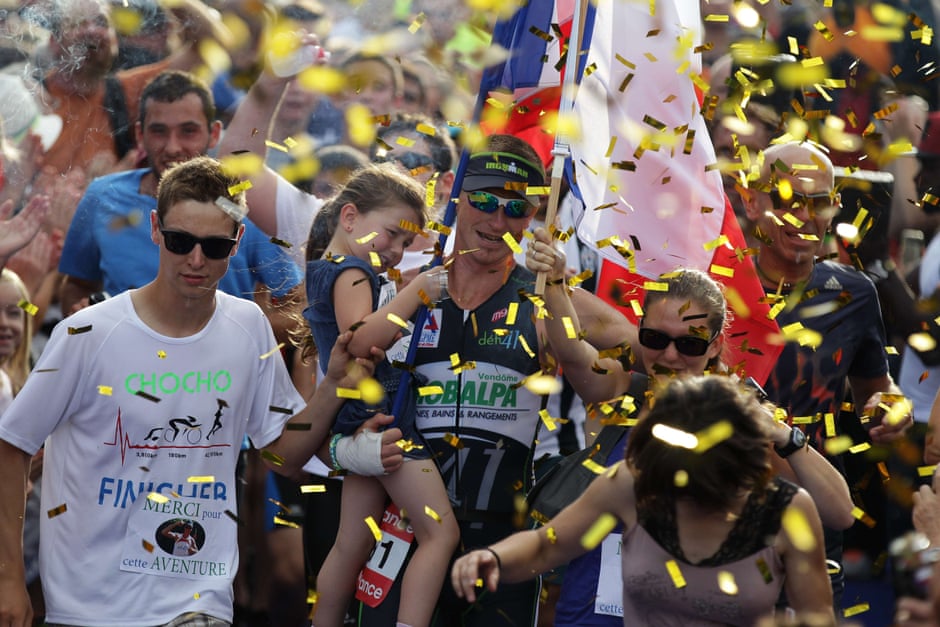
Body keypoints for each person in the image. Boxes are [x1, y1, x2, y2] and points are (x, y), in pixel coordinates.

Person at [0, 156, 404, 627]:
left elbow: (281, 455)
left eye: (213, 246)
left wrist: (333, 386)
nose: (195, 260)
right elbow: (12, 447)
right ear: (155, 228)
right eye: (180, 241)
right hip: (91, 604)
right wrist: (9, 577)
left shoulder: (248, 325)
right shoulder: (86, 334)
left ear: (237, 242)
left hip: (198, 599)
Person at [525, 241, 854, 625]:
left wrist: (785, 437)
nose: (670, 355)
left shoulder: (741, 419)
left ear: (714, 346)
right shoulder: (621, 392)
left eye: (690, 344)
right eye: (656, 339)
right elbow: (571, 350)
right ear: (640, 332)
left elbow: (840, 512)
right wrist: (552, 280)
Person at [451, 375, 836, 625]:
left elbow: (818, 616)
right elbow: (543, 547)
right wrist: (495, 557)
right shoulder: (631, 485)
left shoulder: (786, 510)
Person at [741, 139, 913, 604]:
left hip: (814, 508)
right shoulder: (719, 282)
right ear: (751, 202)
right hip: (726, 505)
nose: (804, 215)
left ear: (834, 207)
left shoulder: (854, 293)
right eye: (787, 199)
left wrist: (890, 407)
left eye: (818, 201)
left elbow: (875, 389)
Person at [303, 163, 459, 627]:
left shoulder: (327, 267)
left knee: (353, 541)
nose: (395, 251)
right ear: (349, 217)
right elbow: (361, 340)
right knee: (440, 534)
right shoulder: (351, 271)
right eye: (391, 235)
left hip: (356, 419)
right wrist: (419, 293)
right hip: (382, 418)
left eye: (407, 245)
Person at [57, 70, 303, 343]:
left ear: (214, 134)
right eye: (159, 131)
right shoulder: (103, 197)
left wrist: (231, 329)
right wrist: (85, 321)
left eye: (188, 131)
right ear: (140, 134)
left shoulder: (247, 208)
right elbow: (77, 287)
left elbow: (299, 307)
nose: (173, 147)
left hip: (218, 378)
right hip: (124, 377)